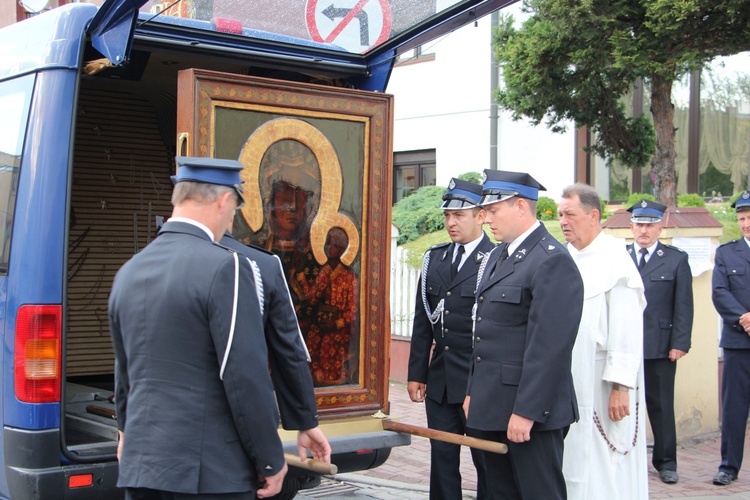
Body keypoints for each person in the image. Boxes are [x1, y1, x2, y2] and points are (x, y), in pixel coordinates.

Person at [109, 156, 330, 500]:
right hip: (211, 474)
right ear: (224, 199)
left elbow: (125, 372)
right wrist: (270, 461)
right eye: (235, 207)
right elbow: (243, 374)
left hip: (142, 469)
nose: (232, 218)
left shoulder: (130, 270)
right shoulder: (227, 268)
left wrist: (126, 433)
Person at [463, 170, 584, 499]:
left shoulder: (550, 260)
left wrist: (527, 412)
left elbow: (550, 349)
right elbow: (484, 332)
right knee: (500, 493)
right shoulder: (498, 255)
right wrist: (474, 390)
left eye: (493, 210)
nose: (486, 218)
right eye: (484, 211)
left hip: (530, 413)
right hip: (494, 405)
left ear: (520, 206)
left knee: (537, 493)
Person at [557, 183, 648, 499]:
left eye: (570, 214)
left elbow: (627, 331)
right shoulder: (562, 258)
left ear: (593, 215)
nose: (563, 221)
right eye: (559, 215)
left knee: (604, 462)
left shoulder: (615, 261)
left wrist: (621, 387)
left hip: (602, 383)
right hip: (568, 379)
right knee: (571, 457)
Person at [408, 178, 494, 499]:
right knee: (442, 460)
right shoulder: (435, 258)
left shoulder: (495, 260)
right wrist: (417, 373)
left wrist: (482, 387)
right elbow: (422, 321)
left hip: (477, 383)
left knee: (486, 461)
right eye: (447, 215)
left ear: (481, 216)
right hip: (441, 382)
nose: (451, 222)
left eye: (459, 215)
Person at [627, 199, 693, 485]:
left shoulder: (676, 259)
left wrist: (679, 343)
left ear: (660, 227)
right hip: (625, 345)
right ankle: (627, 458)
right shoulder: (620, 257)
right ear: (631, 226)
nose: (644, 230)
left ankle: (666, 462)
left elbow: (684, 306)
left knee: (661, 406)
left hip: (660, 346)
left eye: (650, 225)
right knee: (624, 405)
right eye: (639, 224)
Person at [711, 190, 750, 486]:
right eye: (741, 218)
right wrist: (744, 317)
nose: (746, 223)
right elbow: (719, 292)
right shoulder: (726, 252)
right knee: (734, 409)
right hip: (739, 342)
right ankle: (728, 466)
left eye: (749, 217)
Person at [299, 227, 360, 386]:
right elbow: (312, 298)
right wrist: (300, 277)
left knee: (328, 343)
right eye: (326, 243)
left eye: (330, 244)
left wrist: (335, 324)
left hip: (339, 328)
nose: (326, 248)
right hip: (322, 323)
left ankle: (333, 385)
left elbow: (352, 311)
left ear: (340, 249)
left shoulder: (350, 277)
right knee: (310, 338)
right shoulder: (324, 272)